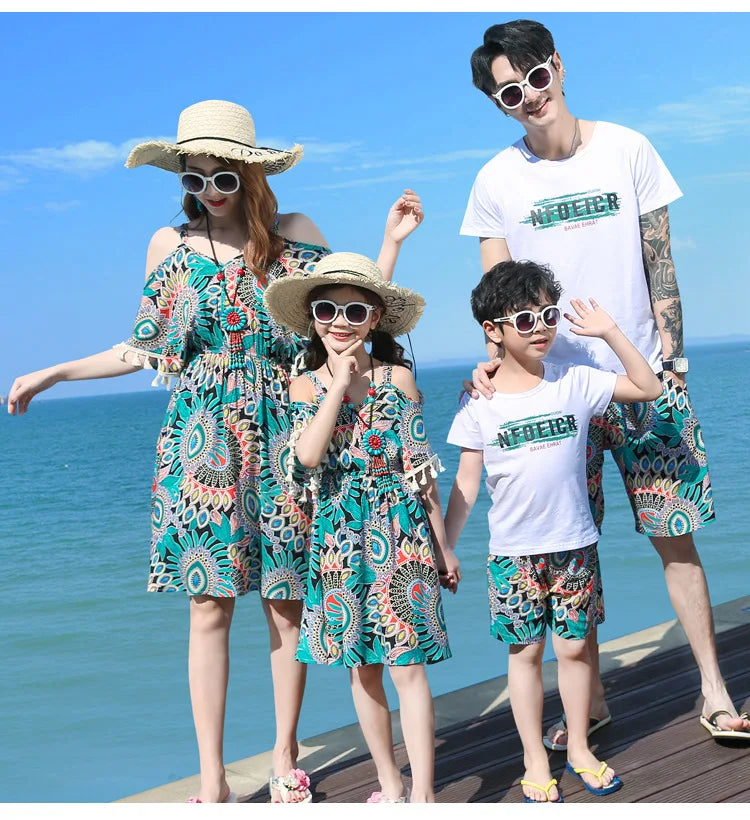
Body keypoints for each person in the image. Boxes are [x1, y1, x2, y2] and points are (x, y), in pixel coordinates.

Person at [7, 99, 427, 803]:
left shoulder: (296, 236)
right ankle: (212, 776)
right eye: (192, 181)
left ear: (250, 177)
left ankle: (282, 754)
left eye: (220, 179)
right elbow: (141, 347)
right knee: (208, 607)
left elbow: (351, 312)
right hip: (202, 441)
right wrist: (54, 372)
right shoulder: (167, 247)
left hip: (289, 433)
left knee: (286, 602)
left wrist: (390, 247)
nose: (206, 194)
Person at [459, 19, 750, 746]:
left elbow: (661, 264)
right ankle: (587, 704)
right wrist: (491, 364)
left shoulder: (628, 148)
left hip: (642, 377)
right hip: (554, 392)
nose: (527, 96)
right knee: (566, 551)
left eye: (534, 77)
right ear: (497, 104)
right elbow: (496, 293)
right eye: (507, 93)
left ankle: (714, 689)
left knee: (674, 537)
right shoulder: (497, 180)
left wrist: (674, 364)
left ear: (557, 68)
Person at [444, 260, 662, 801]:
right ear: (493, 330)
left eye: (547, 314)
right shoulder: (480, 403)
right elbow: (466, 485)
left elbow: (648, 385)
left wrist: (610, 330)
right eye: (524, 318)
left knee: (573, 650)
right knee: (525, 654)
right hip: (513, 552)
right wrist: (444, 545)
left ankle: (581, 746)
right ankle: (534, 757)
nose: (540, 327)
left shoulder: (575, 382)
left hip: (574, 544)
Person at [264, 252, 460, 803]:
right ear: (311, 317)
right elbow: (306, 456)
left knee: (407, 668)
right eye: (327, 309)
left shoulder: (398, 376)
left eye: (355, 310)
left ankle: (422, 795)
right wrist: (337, 383)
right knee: (363, 671)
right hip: (337, 541)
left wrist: (443, 547)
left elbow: (422, 471)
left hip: (400, 534)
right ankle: (389, 788)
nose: (340, 321)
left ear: (375, 318)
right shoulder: (303, 386)